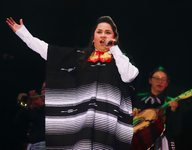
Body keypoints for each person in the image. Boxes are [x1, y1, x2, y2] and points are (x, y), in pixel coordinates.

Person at [6, 16, 139, 149]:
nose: (103, 35)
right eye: (99, 32)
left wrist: (114, 48)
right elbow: (48, 51)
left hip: (108, 130)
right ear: (93, 38)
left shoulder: (121, 60)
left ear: (114, 38)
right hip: (81, 130)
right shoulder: (79, 57)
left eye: (107, 32)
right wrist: (23, 33)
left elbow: (129, 76)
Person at [132, 66, 182, 150]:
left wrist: (174, 111)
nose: (160, 81)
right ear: (150, 80)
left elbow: (176, 131)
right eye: (157, 78)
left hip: (161, 144)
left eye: (163, 79)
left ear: (166, 83)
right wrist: (132, 114)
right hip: (139, 142)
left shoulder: (171, 102)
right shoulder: (137, 99)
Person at [15, 84, 45, 150]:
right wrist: (28, 105)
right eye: (43, 89)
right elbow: (18, 121)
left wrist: (42, 106)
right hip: (32, 145)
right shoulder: (36, 107)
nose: (44, 91)